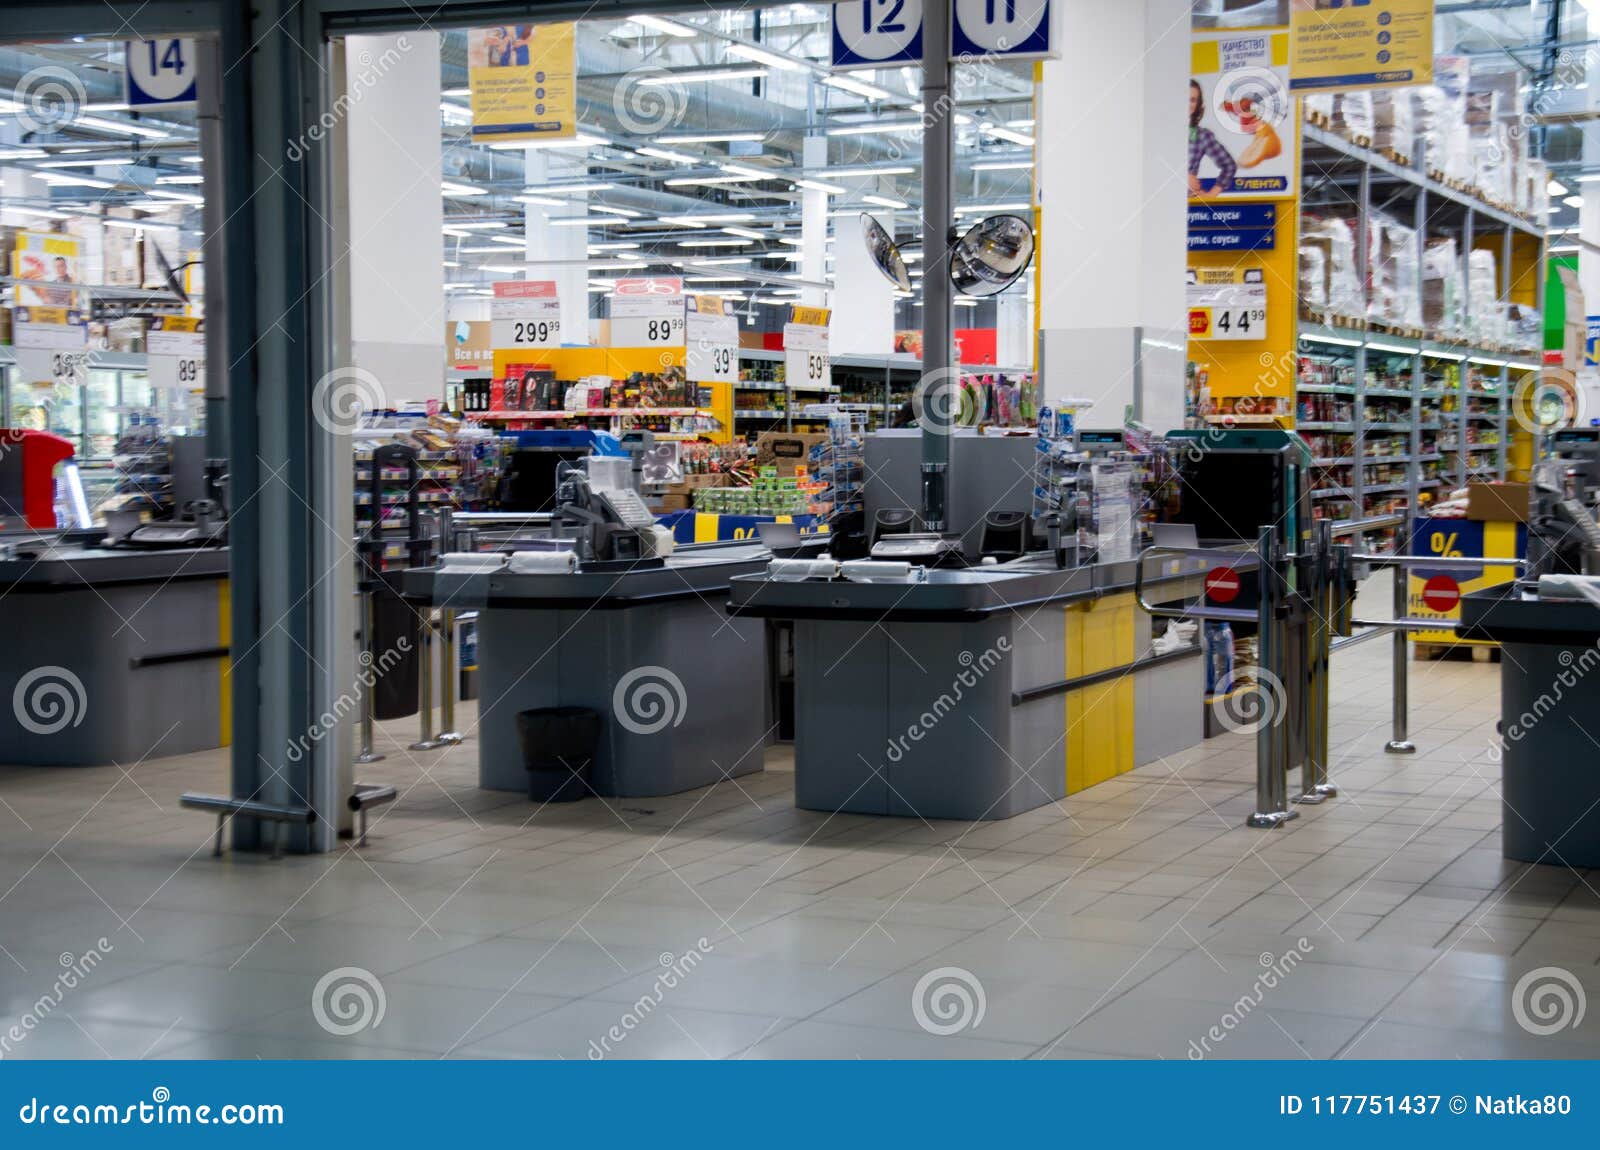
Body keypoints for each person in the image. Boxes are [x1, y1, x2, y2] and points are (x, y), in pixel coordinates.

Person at [1188, 79, 1236, 197]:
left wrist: (1211, 194)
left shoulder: (1201, 136)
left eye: (1193, 100)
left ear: (1197, 105)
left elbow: (1229, 166)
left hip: (1189, 207)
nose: (1187, 104)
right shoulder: (1156, 131)